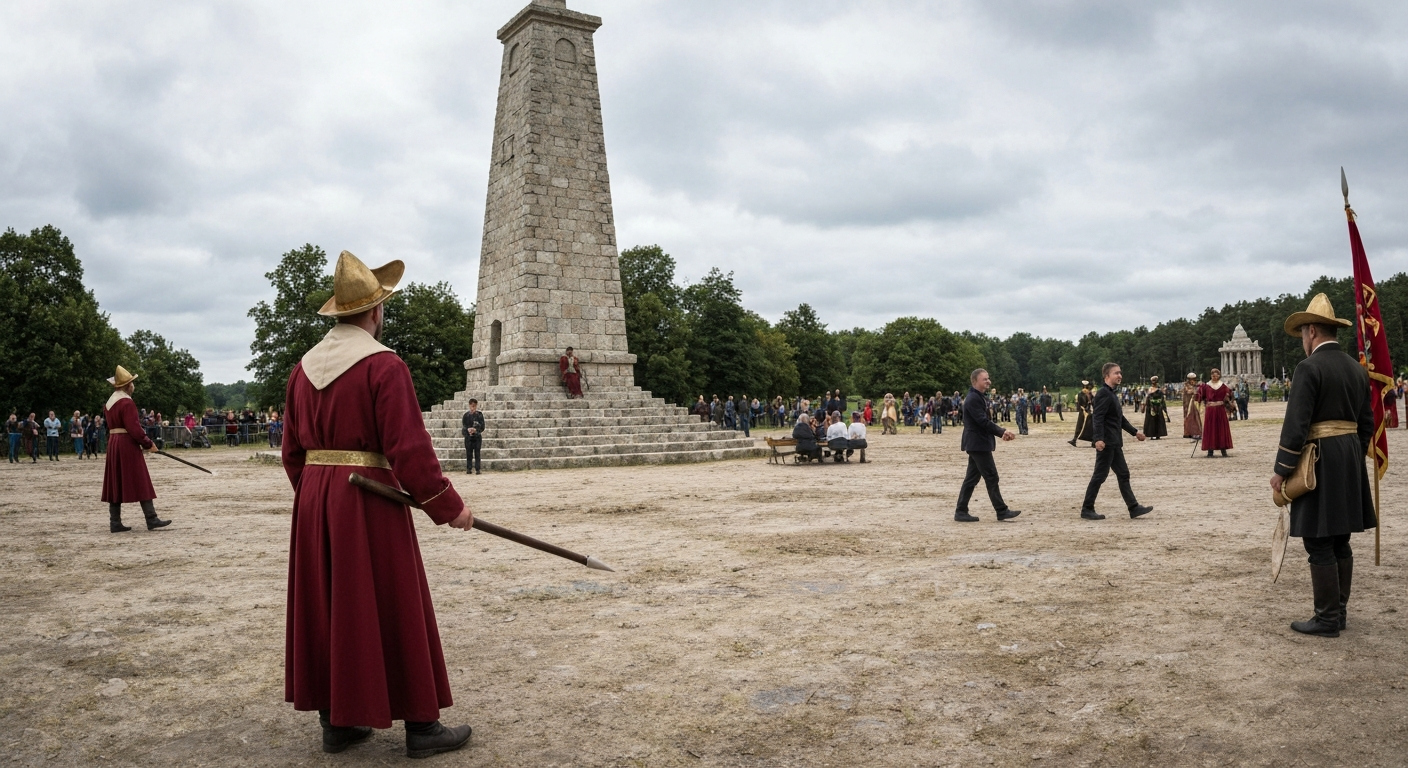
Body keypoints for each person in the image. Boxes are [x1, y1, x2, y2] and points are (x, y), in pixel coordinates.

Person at [282, 250, 473, 757]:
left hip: (317, 499)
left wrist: (316, 499)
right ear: (374, 313)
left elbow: (292, 455)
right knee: (393, 598)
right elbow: (408, 449)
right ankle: (422, 727)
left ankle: (337, 722)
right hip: (368, 498)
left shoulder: (301, 372)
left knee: (329, 603)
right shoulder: (383, 366)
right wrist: (448, 505)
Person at [1271, 294, 1375, 638]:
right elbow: (1366, 423)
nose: (1302, 340)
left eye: (1303, 333)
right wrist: (1352, 455)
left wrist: (1282, 469)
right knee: (1340, 538)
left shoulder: (1309, 368)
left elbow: (1296, 424)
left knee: (1318, 540)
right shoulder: (1356, 368)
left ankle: (1327, 618)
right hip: (1347, 457)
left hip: (1318, 459)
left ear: (1312, 331)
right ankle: (1339, 613)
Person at [102, 365, 170, 532]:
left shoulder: (109, 403)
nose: (133, 386)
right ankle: (151, 518)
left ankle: (115, 521)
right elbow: (134, 428)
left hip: (114, 442)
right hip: (126, 443)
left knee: (115, 480)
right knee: (141, 478)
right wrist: (148, 443)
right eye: (132, 383)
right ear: (127, 386)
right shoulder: (126, 402)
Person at [1081, 363, 1153, 521]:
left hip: (1114, 442)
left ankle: (1133, 508)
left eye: (1120, 373)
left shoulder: (1111, 394)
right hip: (1106, 442)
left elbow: (1120, 419)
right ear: (1107, 376)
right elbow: (1097, 418)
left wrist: (1135, 432)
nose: (1120, 375)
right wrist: (1098, 439)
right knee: (1100, 475)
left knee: (1123, 474)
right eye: (1116, 373)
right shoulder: (1103, 394)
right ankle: (1087, 508)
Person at [953, 369, 1020, 523]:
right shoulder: (973, 399)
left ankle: (961, 511)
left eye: (988, 378)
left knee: (971, 479)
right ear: (975, 381)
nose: (988, 381)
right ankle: (1001, 511)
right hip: (978, 444)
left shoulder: (977, 397)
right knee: (991, 476)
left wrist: (1000, 432)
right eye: (985, 379)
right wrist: (1002, 431)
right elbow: (982, 422)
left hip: (977, 443)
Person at [1197, 368, 1234, 457]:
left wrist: (1228, 402)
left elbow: (1230, 396)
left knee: (1221, 429)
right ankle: (1210, 451)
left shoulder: (1223, 386)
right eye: (1213, 375)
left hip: (1220, 410)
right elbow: (1200, 397)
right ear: (1211, 375)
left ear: (1219, 375)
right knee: (1210, 429)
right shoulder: (1206, 386)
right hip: (1210, 410)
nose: (1215, 376)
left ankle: (1223, 450)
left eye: (1216, 375)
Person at [461, 399, 485, 475]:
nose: (473, 407)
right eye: (471, 405)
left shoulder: (480, 415)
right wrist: (468, 430)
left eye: (474, 406)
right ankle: (469, 468)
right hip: (468, 438)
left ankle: (478, 469)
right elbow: (464, 426)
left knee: (477, 453)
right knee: (469, 453)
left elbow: (482, 427)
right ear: (469, 405)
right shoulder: (466, 415)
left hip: (477, 437)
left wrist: (476, 430)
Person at [1069, 381, 1094, 447]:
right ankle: (1093, 441)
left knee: (1080, 425)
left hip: (1083, 411)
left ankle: (1074, 440)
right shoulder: (1090, 393)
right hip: (1089, 412)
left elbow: (1079, 403)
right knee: (1090, 427)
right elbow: (1092, 402)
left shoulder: (1080, 393)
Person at [1181, 373, 1202, 440]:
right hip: (1188, 404)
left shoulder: (1196, 385)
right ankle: (1189, 432)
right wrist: (1195, 390)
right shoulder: (1186, 386)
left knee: (1195, 418)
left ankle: (1196, 432)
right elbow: (1189, 392)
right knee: (1189, 417)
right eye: (1191, 379)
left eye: (1193, 379)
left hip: (1195, 403)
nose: (1192, 381)